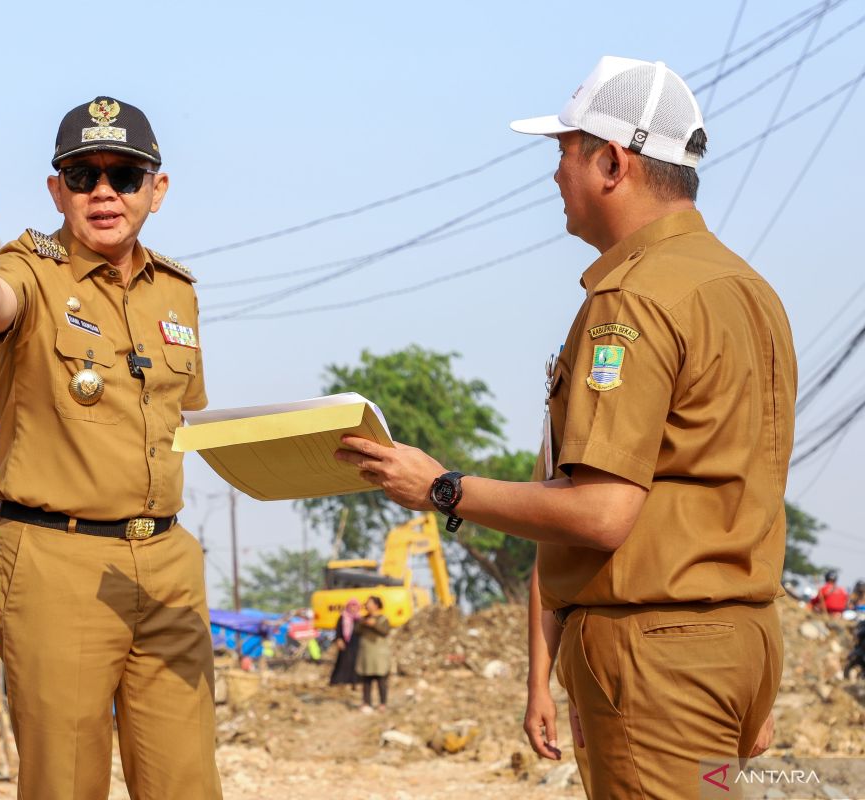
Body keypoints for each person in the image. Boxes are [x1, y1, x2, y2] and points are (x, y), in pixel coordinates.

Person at [334, 56, 795, 799]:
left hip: (656, 652)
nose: (554, 176)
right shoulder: (749, 291)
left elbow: (601, 511)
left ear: (612, 162)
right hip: (741, 642)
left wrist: (443, 488)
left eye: (562, 153)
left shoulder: (633, 299)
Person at [0, 96, 222, 800]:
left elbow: (182, 422)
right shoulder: (32, 269)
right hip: (56, 561)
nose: (103, 190)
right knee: (65, 783)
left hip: (166, 563)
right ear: (56, 190)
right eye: (82, 173)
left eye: (125, 174)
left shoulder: (178, 294)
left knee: (186, 782)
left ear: (156, 191)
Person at [355, 596, 392, 712]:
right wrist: (363, 623)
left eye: (369, 603)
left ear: (376, 605)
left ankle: (383, 703)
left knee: (381, 679)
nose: (367, 605)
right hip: (366, 653)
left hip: (379, 654)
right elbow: (356, 631)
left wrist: (374, 624)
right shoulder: (363, 619)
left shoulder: (383, 619)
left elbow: (385, 631)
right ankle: (367, 702)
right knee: (366, 679)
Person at [329, 598, 362, 687]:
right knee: (343, 661)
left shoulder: (359, 618)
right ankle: (339, 681)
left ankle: (354, 682)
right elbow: (338, 630)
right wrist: (339, 639)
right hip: (345, 643)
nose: (353, 608)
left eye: (355, 606)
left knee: (355, 663)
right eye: (351, 606)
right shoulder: (343, 617)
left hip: (356, 644)